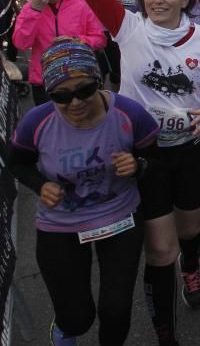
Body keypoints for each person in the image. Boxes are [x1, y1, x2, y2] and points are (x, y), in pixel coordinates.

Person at [14, 0, 200, 346]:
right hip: (146, 152)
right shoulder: (127, 27)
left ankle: (192, 267)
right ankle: (165, 332)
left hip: (194, 150)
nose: (157, 0)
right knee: (160, 249)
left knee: (189, 230)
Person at [11, 38, 159, 346]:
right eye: (62, 96)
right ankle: (65, 326)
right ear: (49, 94)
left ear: (99, 80)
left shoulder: (129, 114)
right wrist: (40, 185)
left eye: (85, 91)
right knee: (77, 317)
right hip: (61, 223)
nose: (76, 103)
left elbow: (155, 158)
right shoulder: (36, 122)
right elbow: (17, 163)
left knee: (115, 310)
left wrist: (138, 165)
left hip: (118, 214)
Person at [13, 0, 106, 104]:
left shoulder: (81, 4)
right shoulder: (29, 8)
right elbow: (21, 43)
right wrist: (35, 11)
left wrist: (75, 40)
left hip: (78, 77)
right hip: (44, 79)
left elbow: (100, 39)